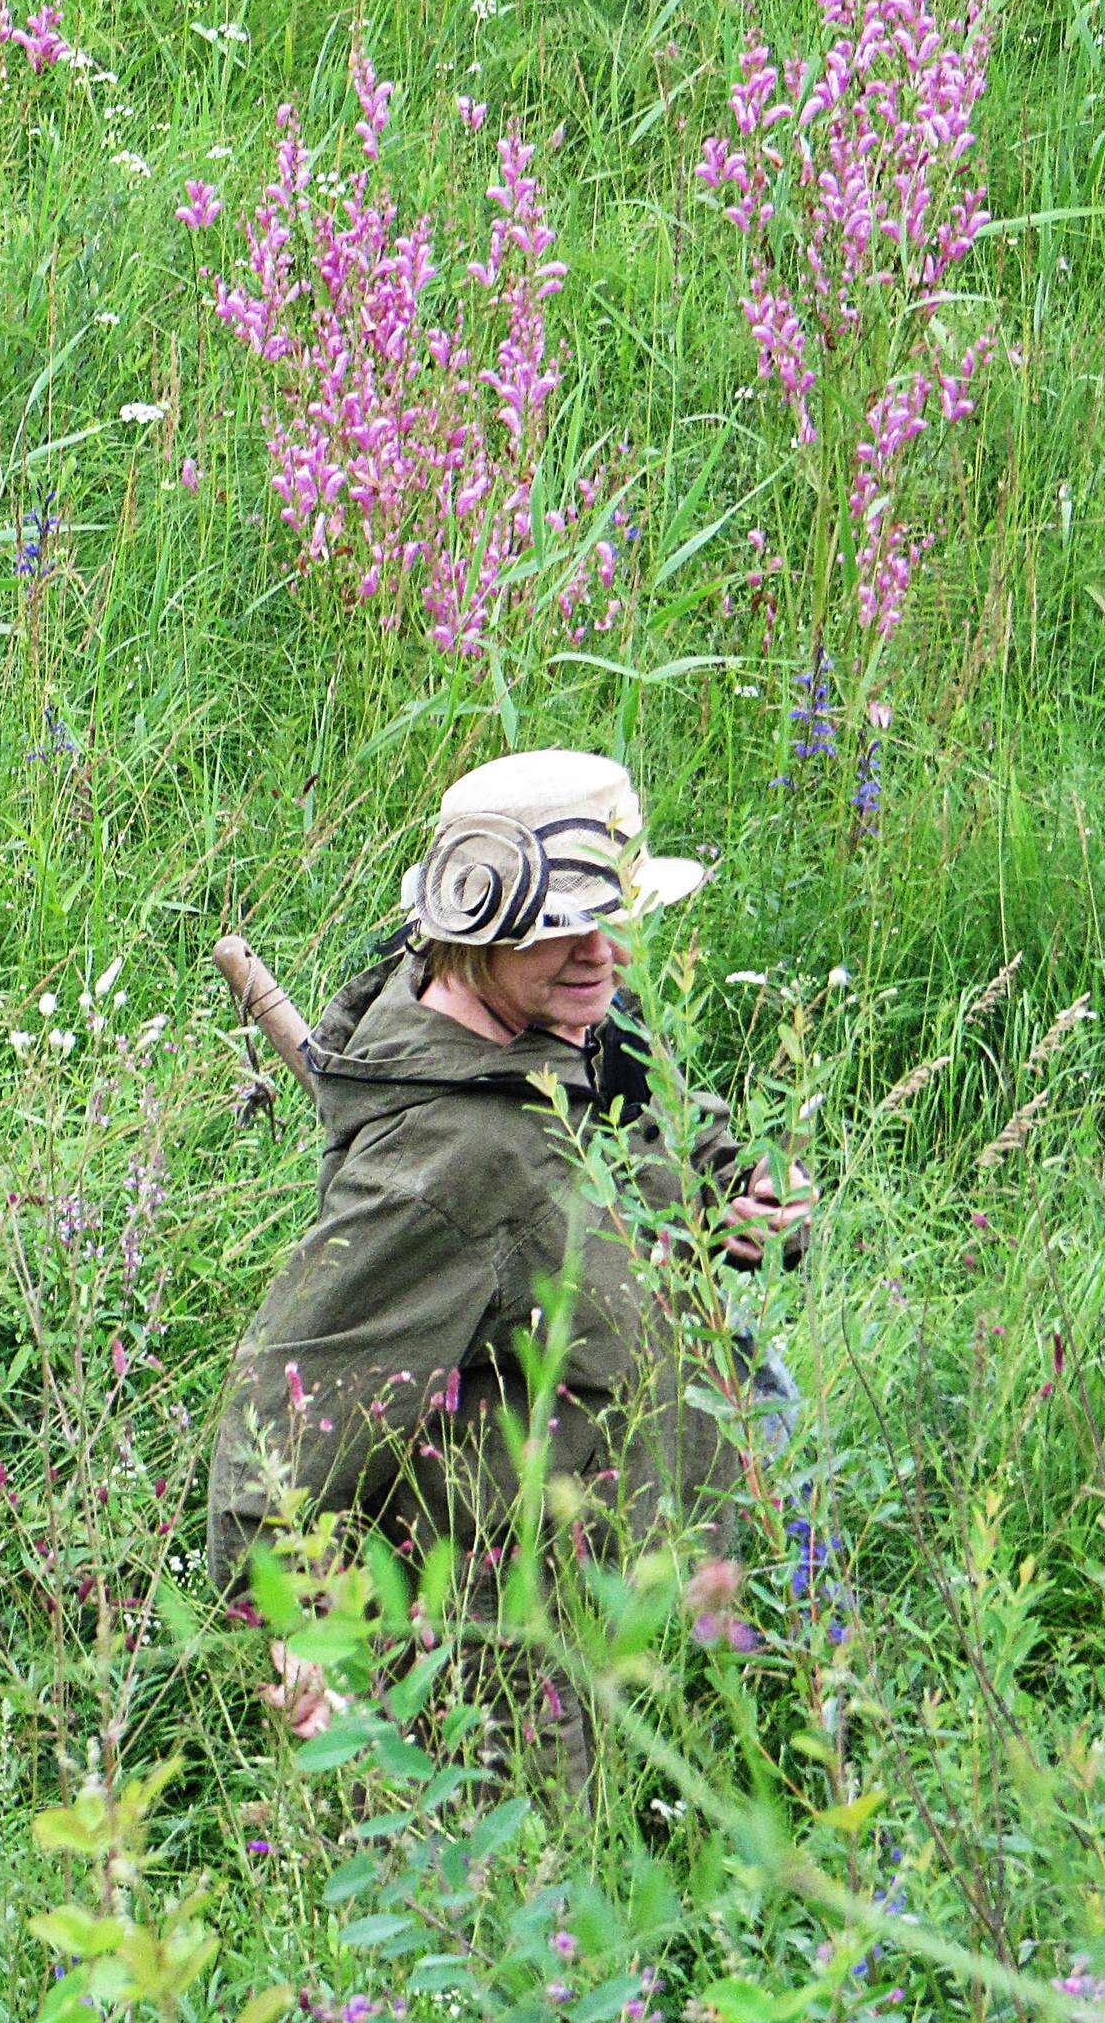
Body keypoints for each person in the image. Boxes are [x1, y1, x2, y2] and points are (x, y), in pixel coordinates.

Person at [207, 749, 816, 1785]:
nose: (600, 955)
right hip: (511, 1659)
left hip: (652, 1601)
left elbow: (639, 1127)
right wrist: (302, 1631)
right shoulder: (439, 1169)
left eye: (614, 919)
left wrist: (740, 1188)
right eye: (557, 931)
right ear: (467, 934)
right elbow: (277, 1422)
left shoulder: (559, 1022)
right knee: (545, 1931)